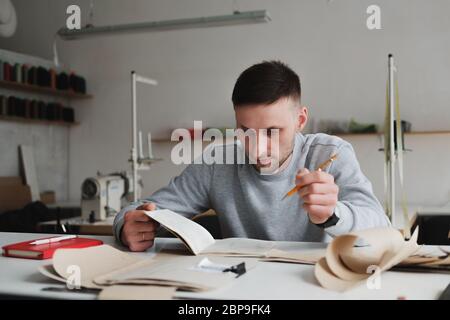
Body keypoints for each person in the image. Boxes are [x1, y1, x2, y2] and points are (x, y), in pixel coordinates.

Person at [113, 60, 389, 251]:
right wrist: (127, 228)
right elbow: (141, 209)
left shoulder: (330, 153)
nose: (257, 149)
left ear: (301, 120)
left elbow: (382, 227)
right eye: (246, 131)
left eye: (272, 131)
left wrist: (333, 214)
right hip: (240, 293)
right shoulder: (217, 163)